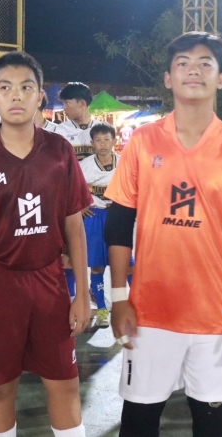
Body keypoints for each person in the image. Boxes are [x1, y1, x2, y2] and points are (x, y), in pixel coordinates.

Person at [104, 32, 222, 437]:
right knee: (139, 420)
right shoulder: (143, 142)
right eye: (183, 63)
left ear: (221, 79)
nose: (193, 70)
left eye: (205, 63)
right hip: (149, 311)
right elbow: (119, 222)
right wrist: (119, 297)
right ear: (168, 78)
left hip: (215, 313)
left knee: (213, 419)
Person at [0, 51, 91, 437]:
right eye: (5, 87)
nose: (16, 95)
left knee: (65, 383)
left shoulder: (59, 152)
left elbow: (74, 226)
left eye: (26, 87)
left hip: (49, 283)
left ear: (40, 96)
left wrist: (82, 294)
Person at [79, 123, 133, 328]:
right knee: (97, 265)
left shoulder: (125, 162)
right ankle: (102, 308)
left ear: (114, 141)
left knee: (128, 264)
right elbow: (73, 187)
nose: (102, 144)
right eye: (98, 140)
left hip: (118, 215)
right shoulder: (85, 165)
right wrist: (80, 205)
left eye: (106, 139)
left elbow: (134, 186)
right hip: (95, 215)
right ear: (92, 143)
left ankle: (135, 304)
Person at [56, 81, 106, 298]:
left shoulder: (102, 130)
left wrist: (92, 198)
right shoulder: (60, 131)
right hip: (71, 204)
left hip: (97, 206)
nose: (64, 108)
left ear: (82, 104)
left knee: (97, 257)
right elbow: (59, 171)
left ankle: (96, 294)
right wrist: (77, 200)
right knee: (68, 255)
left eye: (67, 103)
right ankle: (72, 298)